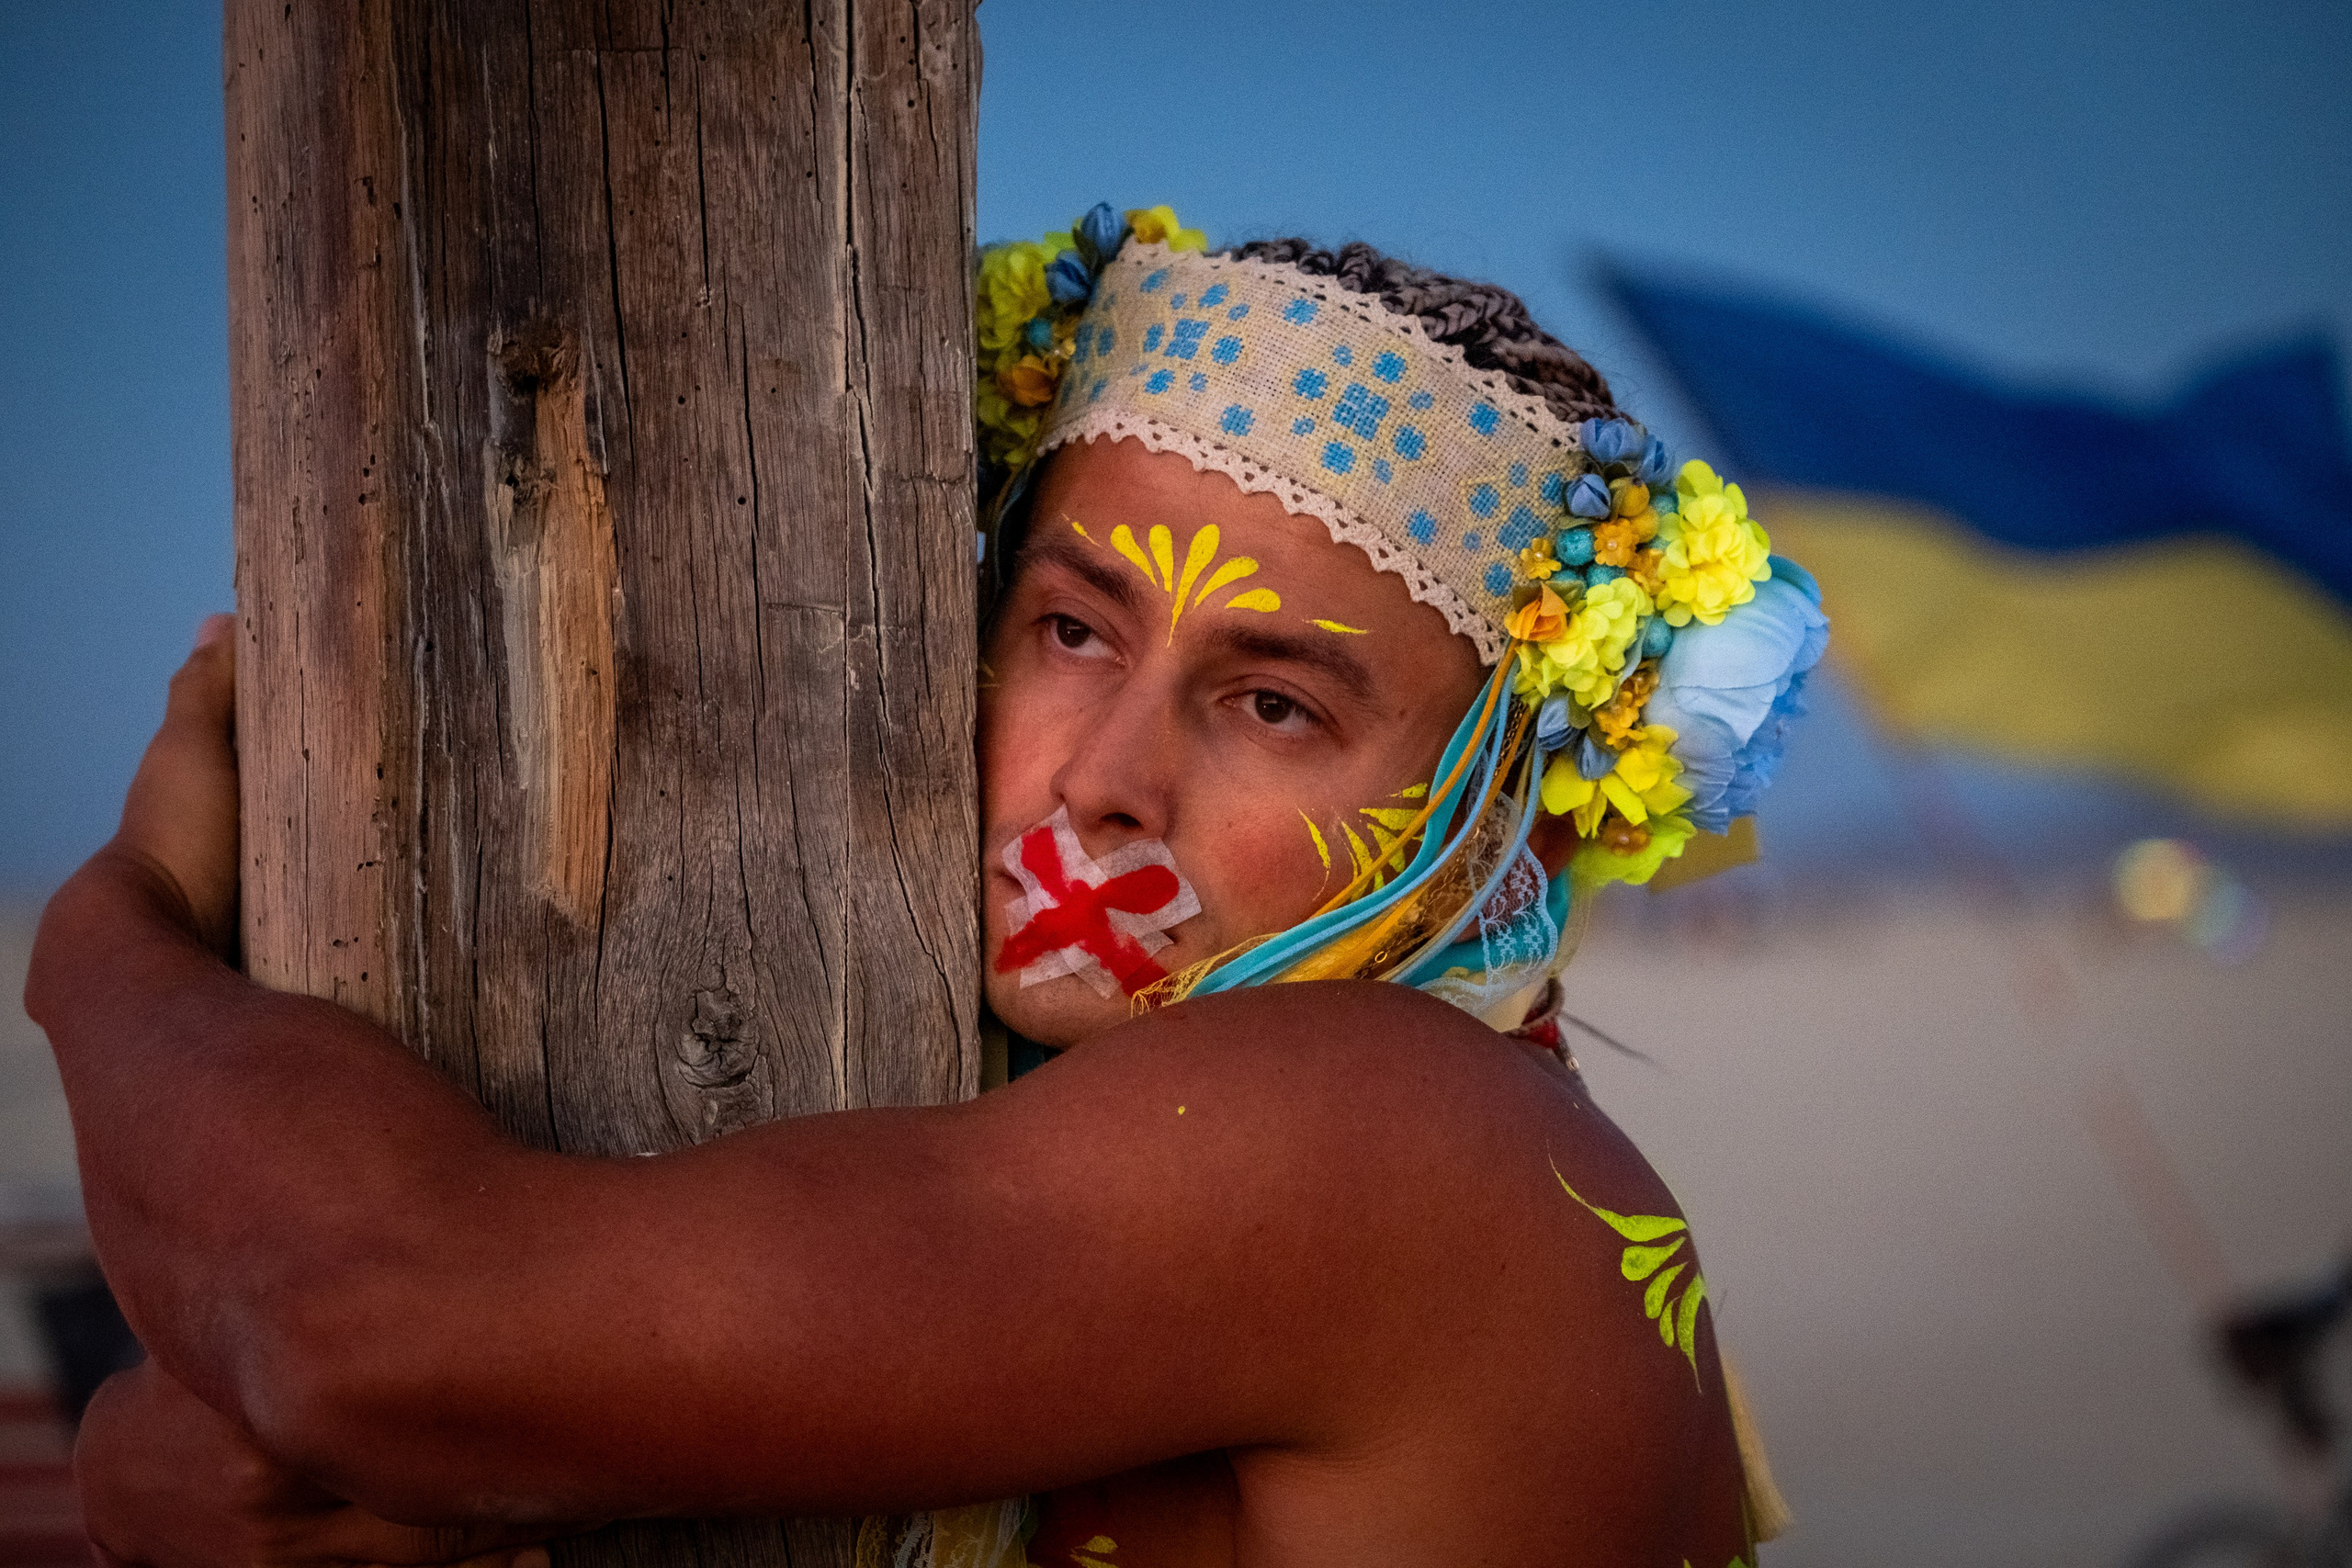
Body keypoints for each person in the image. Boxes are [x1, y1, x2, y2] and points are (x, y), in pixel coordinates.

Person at [32, 205, 1824, 1567]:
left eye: (1273, 701)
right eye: (1067, 627)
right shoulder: (1261, 1126)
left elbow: (361, 1322)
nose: (1105, 775)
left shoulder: (1375, 1123)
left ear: (1503, 808)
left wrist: (111, 930)